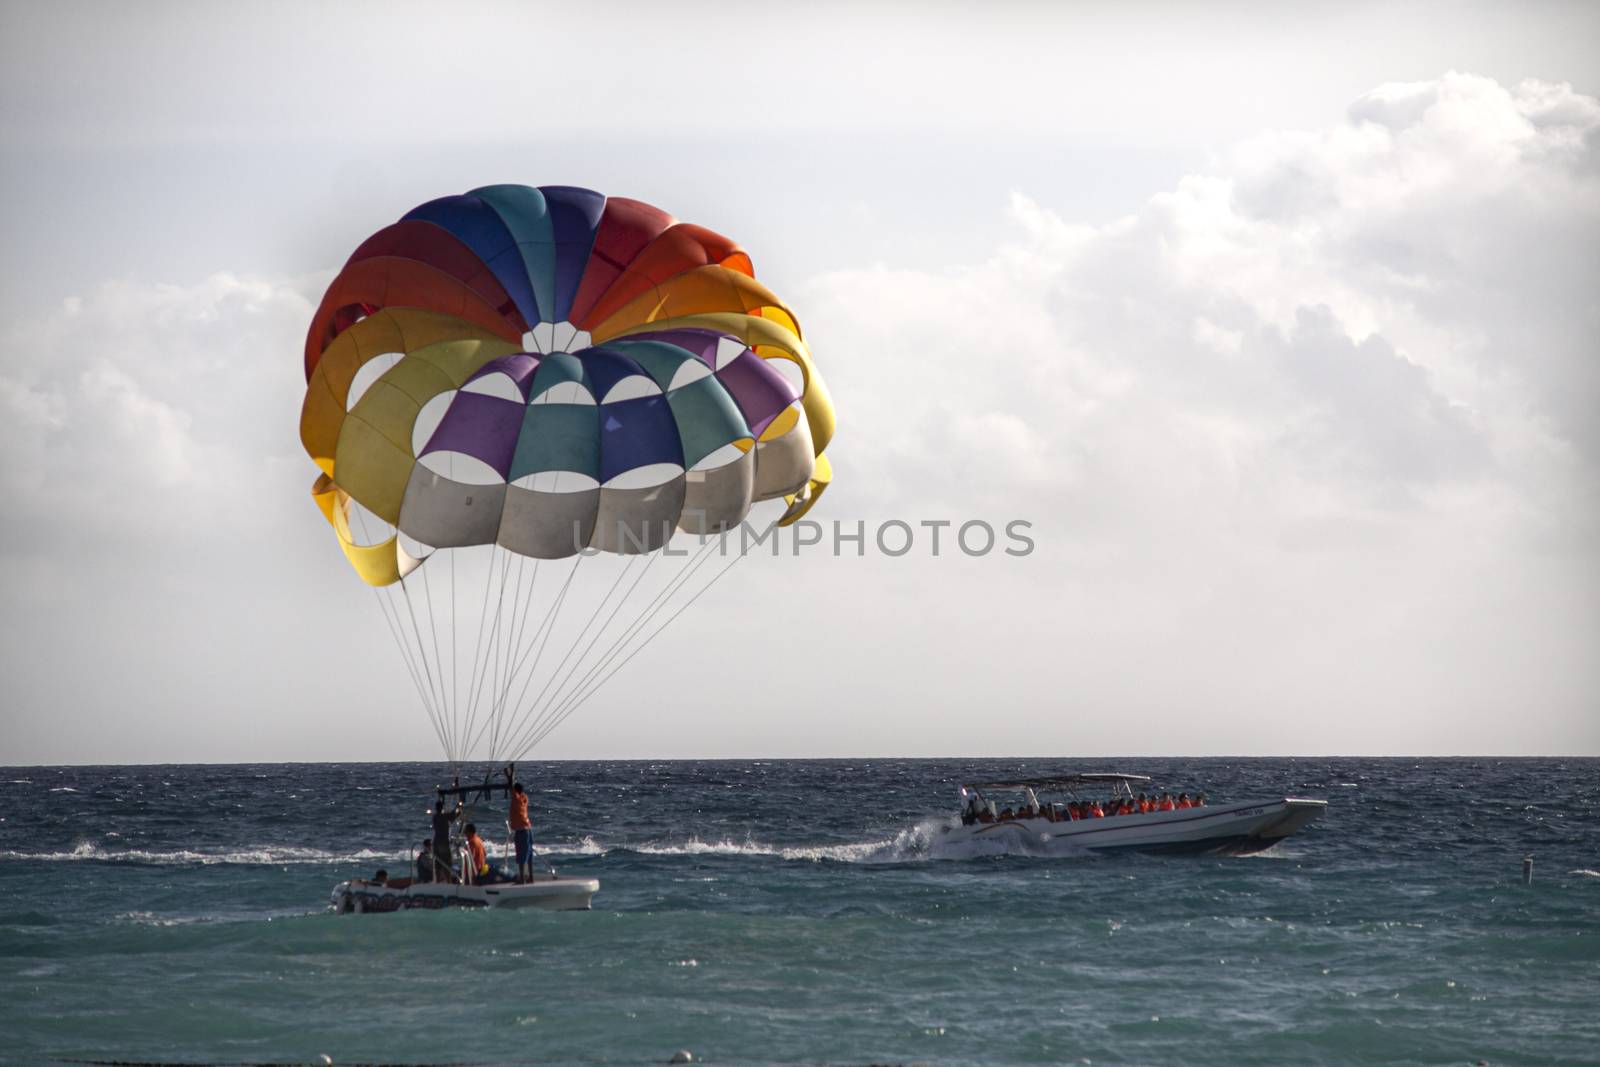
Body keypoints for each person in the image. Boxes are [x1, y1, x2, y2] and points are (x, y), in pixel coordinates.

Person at [430, 795, 461, 882]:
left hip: (436, 843)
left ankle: (437, 882)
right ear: (442, 808)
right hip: (443, 843)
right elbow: (453, 815)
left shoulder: (435, 817)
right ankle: (449, 882)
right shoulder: (444, 816)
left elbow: (452, 816)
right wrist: (458, 805)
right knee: (447, 863)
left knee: (438, 864)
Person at [508, 781, 534, 884]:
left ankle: (522, 879)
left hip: (521, 831)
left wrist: (508, 776)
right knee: (529, 854)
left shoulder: (516, 799)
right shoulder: (524, 798)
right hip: (528, 829)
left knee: (521, 855)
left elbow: (512, 789)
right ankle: (530, 877)